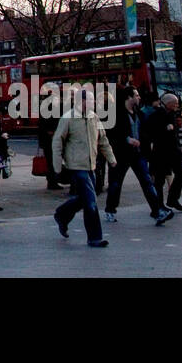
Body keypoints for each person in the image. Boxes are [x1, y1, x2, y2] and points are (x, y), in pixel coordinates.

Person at [52, 83, 116, 247]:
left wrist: (111, 158)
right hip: (76, 166)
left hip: (91, 166)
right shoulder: (68, 118)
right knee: (91, 202)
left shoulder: (94, 117)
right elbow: (57, 142)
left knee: (83, 199)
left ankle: (62, 214)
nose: (94, 103)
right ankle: (95, 237)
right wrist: (58, 166)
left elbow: (103, 140)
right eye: (91, 100)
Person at [104, 85, 173, 225]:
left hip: (137, 154)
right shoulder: (117, 114)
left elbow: (146, 131)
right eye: (136, 95)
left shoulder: (138, 114)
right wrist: (127, 139)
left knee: (147, 182)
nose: (139, 97)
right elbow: (110, 134)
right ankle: (110, 209)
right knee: (116, 184)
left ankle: (157, 211)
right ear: (128, 97)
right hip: (120, 155)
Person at [144, 92, 182, 211]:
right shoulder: (157, 115)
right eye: (175, 103)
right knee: (159, 180)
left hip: (173, 152)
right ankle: (160, 205)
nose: (177, 105)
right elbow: (150, 133)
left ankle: (172, 199)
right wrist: (165, 129)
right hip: (161, 153)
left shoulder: (172, 114)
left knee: (181, 175)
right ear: (168, 103)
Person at [37, 103, 64, 190]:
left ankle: (51, 181)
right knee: (52, 162)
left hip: (47, 142)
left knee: (50, 162)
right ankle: (53, 181)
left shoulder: (44, 114)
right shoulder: (52, 115)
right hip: (50, 141)